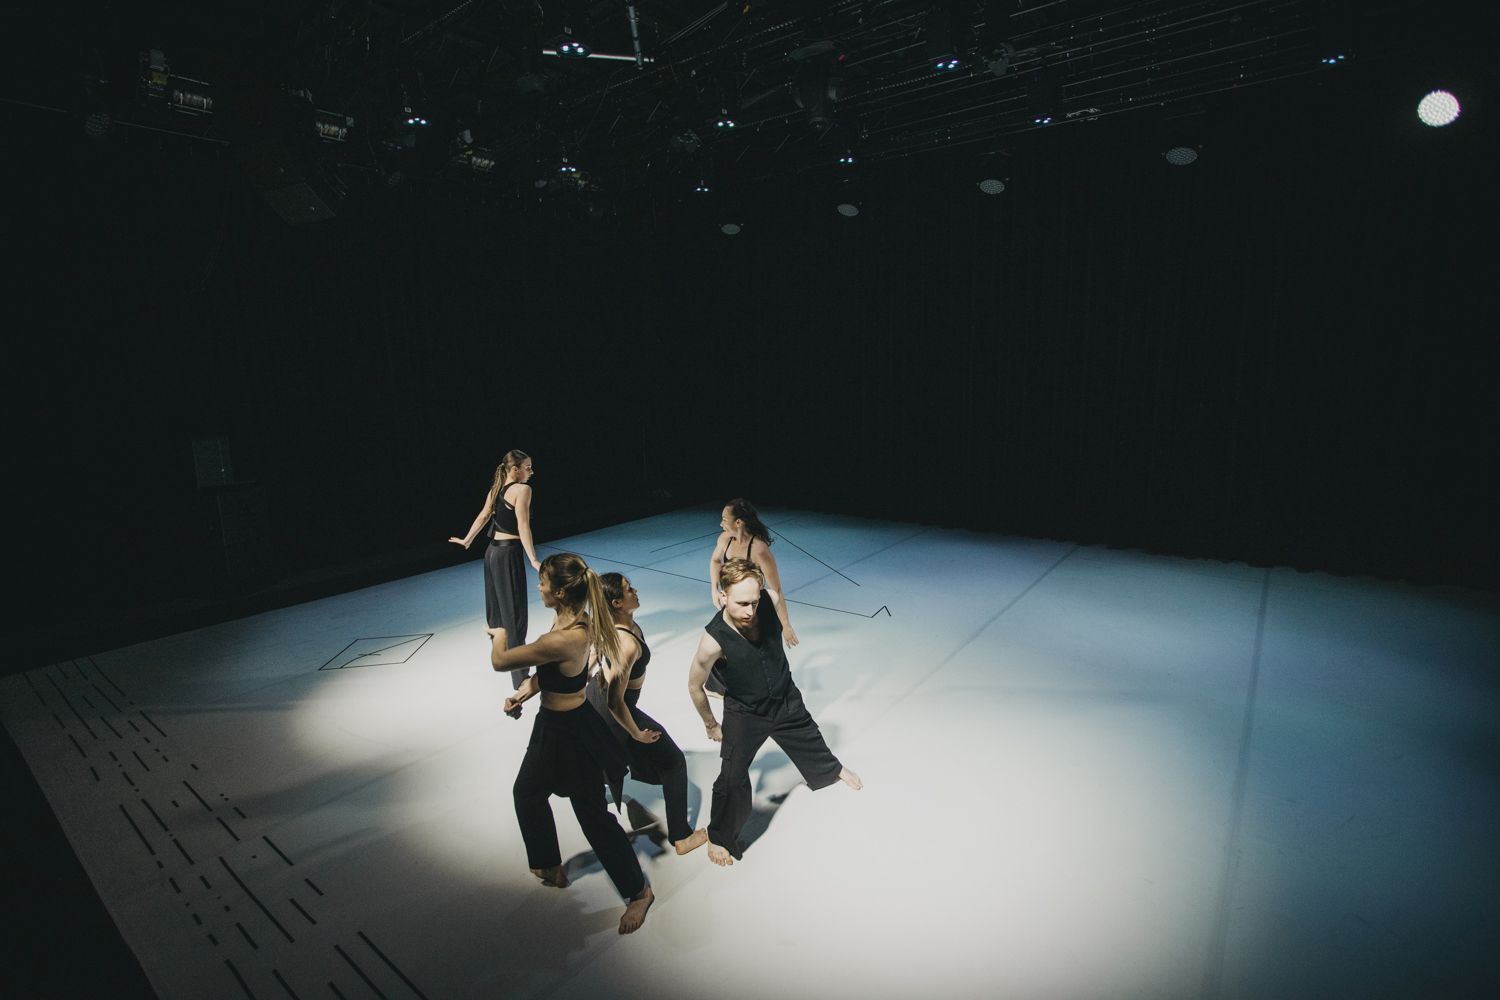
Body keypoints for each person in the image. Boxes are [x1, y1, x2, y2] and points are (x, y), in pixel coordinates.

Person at [489, 553, 654, 934]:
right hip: (551, 726)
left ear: (561, 591)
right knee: (527, 793)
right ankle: (548, 863)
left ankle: (639, 892)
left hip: (574, 732)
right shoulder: (572, 622)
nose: (539, 587)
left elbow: (501, 661)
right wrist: (522, 695)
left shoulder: (563, 637)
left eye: (544, 582)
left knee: (592, 816)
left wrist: (499, 637)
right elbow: (549, 672)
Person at [687, 557, 861, 867]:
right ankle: (719, 835)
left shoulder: (769, 599)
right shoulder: (712, 641)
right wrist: (711, 724)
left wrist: (786, 624)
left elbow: (776, 601)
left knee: (808, 735)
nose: (750, 611)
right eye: (742, 604)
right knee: (731, 778)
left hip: (783, 696)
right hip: (745, 713)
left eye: (754, 602)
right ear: (723, 596)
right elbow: (694, 686)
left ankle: (830, 770)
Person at [589, 572, 707, 856]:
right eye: (629, 589)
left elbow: (594, 653)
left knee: (603, 762)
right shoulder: (627, 643)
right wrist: (636, 733)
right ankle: (681, 837)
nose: (635, 591)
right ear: (617, 603)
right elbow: (615, 701)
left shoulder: (612, 623)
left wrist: (595, 668)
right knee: (673, 761)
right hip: (613, 710)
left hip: (599, 699)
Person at [450, 449, 541, 689]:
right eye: (528, 468)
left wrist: (468, 540)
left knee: (497, 613)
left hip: (491, 553)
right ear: (515, 470)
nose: (531, 472)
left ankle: (503, 656)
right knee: (514, 614)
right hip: (508, 554)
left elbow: (483, 516)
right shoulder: (522, 490)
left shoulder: (497, 488)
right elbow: (523, 526)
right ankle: (520, 677)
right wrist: (533, 559)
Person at [707, 499, 798, 645]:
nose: (721, 524)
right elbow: (715, 561)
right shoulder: (725, 539)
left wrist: (785, 625)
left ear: (738, 522)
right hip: (731, 607)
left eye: (724, 520)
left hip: (753, 611)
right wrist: (714, 590)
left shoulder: (759, 549)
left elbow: (776, 590)